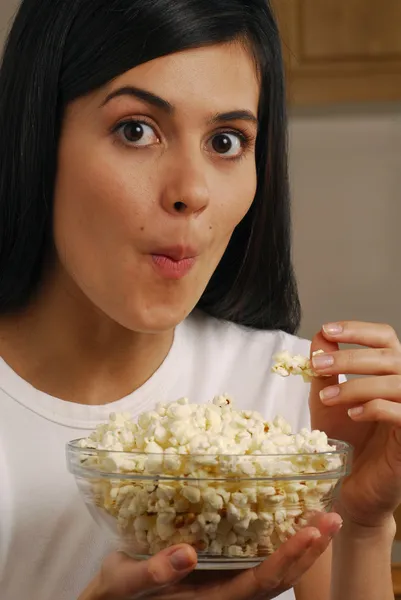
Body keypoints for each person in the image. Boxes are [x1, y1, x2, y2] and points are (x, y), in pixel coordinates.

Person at [0, 0, 399, 598]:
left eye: (227, 140)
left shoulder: (294, 407)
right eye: (136, 130)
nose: (191, 190)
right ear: (40, 135)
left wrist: (364, 526)